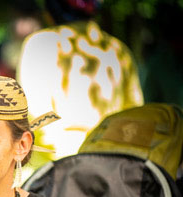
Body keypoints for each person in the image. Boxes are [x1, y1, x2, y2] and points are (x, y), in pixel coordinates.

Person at [17, 0, 143, 162]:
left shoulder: (39, 44)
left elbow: (35, 117)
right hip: (113, 163)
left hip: (59, 166)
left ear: (50, 11)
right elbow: (135, 115)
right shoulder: (118, 50)